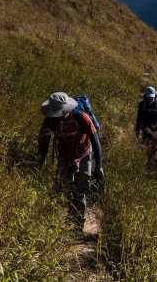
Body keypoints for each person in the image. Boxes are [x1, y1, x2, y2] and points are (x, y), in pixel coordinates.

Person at [38, 92, 104, 222]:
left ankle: (77, 224)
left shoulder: (82, 117)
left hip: (84, 154)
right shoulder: (50, 120)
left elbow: (95, 141)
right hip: (64, 156)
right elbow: (43, 141)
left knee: (80, 190)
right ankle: (70, 217)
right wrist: (40, 161)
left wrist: (99, 166)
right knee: (66, 188)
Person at [135, 86, 157, 171]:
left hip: (156, 130)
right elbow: (139, 118)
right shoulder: (142, 104)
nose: (151, 99)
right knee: (146, 146)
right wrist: (137, 130)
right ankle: (147, 164)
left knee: (155, 148)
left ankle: (154, 165)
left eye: (152, 97)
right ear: (146, 97)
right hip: (145, 129)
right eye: (149, 97)